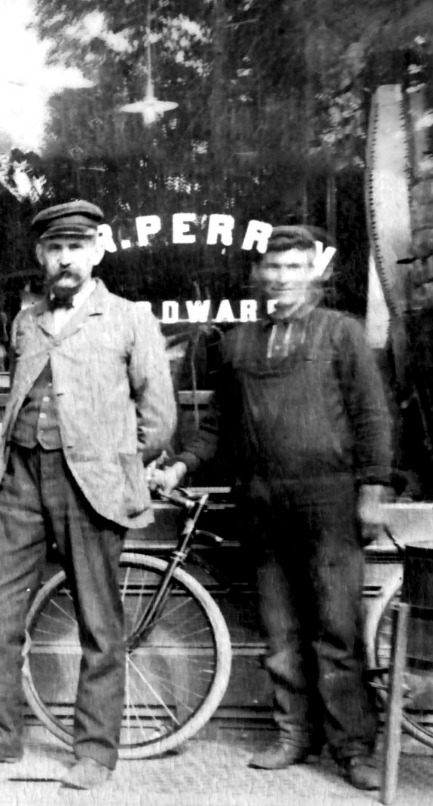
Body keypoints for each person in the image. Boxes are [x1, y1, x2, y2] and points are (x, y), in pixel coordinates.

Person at [151, 225, 392, 792]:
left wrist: (374, 489)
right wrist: (183, 464)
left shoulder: (342, 334)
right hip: (260, 503)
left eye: (294, 268)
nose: (282, 279)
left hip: (330, 501)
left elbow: (372, 416)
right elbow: (217, 429)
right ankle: (292, 736)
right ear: (258, 277)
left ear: (315, 274)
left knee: (338, 631)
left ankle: (354, 748)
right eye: (273, 269)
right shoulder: (236, 345)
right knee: (281, 631)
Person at [0, 200, 174, 792]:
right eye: (55, 248)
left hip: (91, 489)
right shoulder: (26, 322)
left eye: (77, 247)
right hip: (22, 480)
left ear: (98, 250)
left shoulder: (129, 319)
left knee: (100, 624)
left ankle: (95, 752)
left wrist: (115, 464)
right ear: (40, 256)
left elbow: (159, 419)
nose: (65, 258)